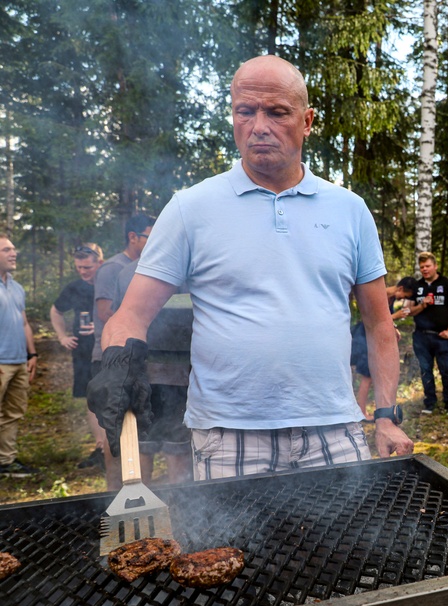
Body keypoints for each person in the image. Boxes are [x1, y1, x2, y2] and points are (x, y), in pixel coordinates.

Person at [88, 54, 412, 481]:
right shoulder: (191, 208)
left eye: (277, 112)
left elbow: (379, 325)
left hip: (334, 429)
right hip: (228, 436)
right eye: (246, 111)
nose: (259, 125)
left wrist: (386, 414)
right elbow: (129, 314)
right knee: (227, 551)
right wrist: (116, 364)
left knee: (340, 547)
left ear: (308, 121)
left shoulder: (349, 210)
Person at [114, 260, 193, 483]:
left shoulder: (126, 271)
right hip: (177, 375)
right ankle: (178, 508)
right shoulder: (183, 269)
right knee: (176, 448)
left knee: (142, 446)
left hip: (137, 371)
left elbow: (118, 318)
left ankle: (141, 502)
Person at [91, 213, 154, 489]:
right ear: (133, 237)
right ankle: (114, 495)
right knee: (115, 429)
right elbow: (107, 314)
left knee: (141, 435)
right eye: (150, 237)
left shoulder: (148, 267)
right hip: (111, 354)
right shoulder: (114, 269)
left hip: (135, 356)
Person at [50, 243, 106, 469]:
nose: (83, 272)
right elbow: (56, 311)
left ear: (99, 263)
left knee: (111, 397)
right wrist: (62, 336)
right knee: (90, 399)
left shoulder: (108, 284)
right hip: (82, 353)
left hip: (107, 350)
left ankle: (119, 447)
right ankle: (101, 448)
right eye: (79, 267)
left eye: (87, 267)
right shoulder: (74, 288)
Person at [351, 276, 418, 419]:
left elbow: (385, 317)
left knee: (374, 374)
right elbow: (372, 317)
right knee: (366, 376)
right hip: (363, 336)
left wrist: (393, 328)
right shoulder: (380, 294)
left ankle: (368, 409)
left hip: (374, 339)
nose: (401, 300)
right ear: (400, 288)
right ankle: (361, 412)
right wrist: (396, 316)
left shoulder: (391, 298)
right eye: (404, 296)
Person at [0, 235, 39, 478]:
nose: (13, 253)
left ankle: (6, 462)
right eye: (6, 250)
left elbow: (24, 323)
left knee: (12, 413)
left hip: (18, 361)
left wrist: (32, 354)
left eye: (14, 249)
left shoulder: (16, 287)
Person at [408, 252, 448, 415]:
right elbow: (408, 311)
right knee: (425, 369)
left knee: (446, 370)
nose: (424, 269)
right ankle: (429, 403)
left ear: (435, 266)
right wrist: (422, 305)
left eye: (428, 266)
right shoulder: (416, 287)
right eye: (422, 267)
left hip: (441, 336)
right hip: (421, 336)